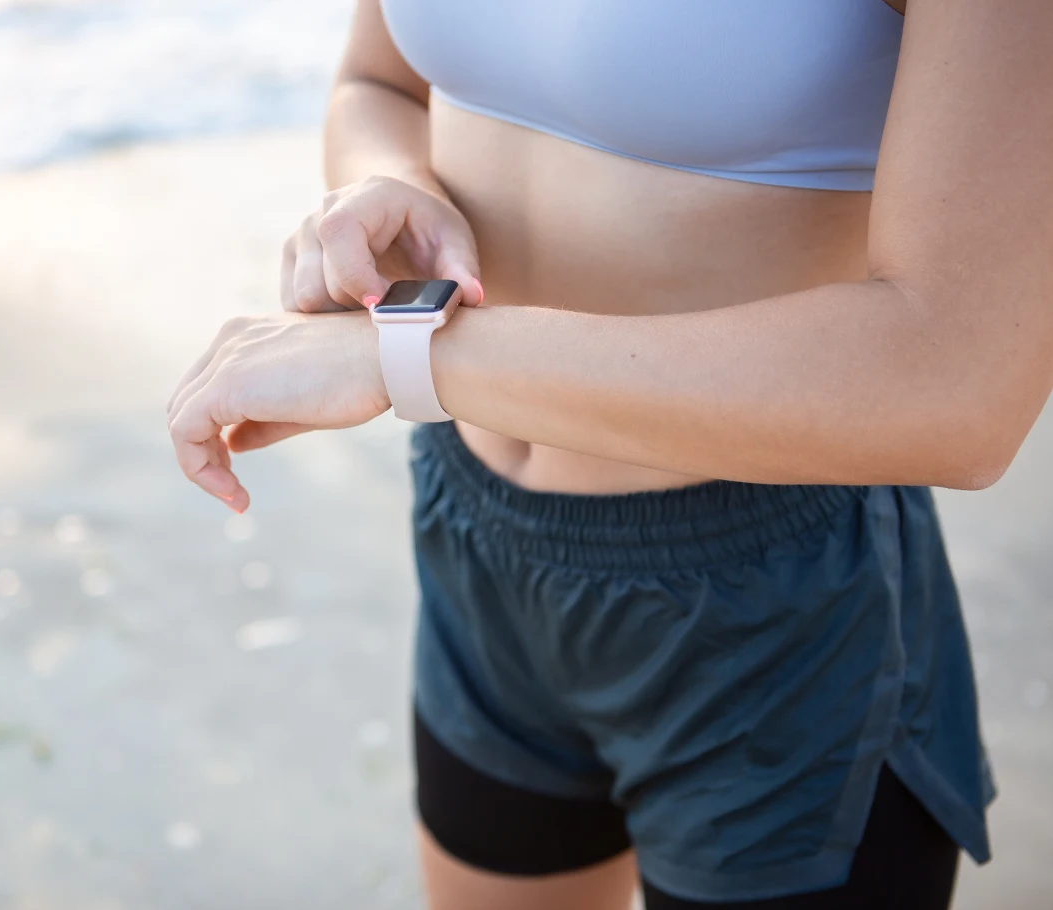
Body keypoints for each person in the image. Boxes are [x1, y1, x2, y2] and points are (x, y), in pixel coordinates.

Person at [167, 1, 1052, 907]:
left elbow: (960, 385)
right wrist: (392, 190)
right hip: (475, 542)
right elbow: (379, 83)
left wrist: (403, 356)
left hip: (778, 609)